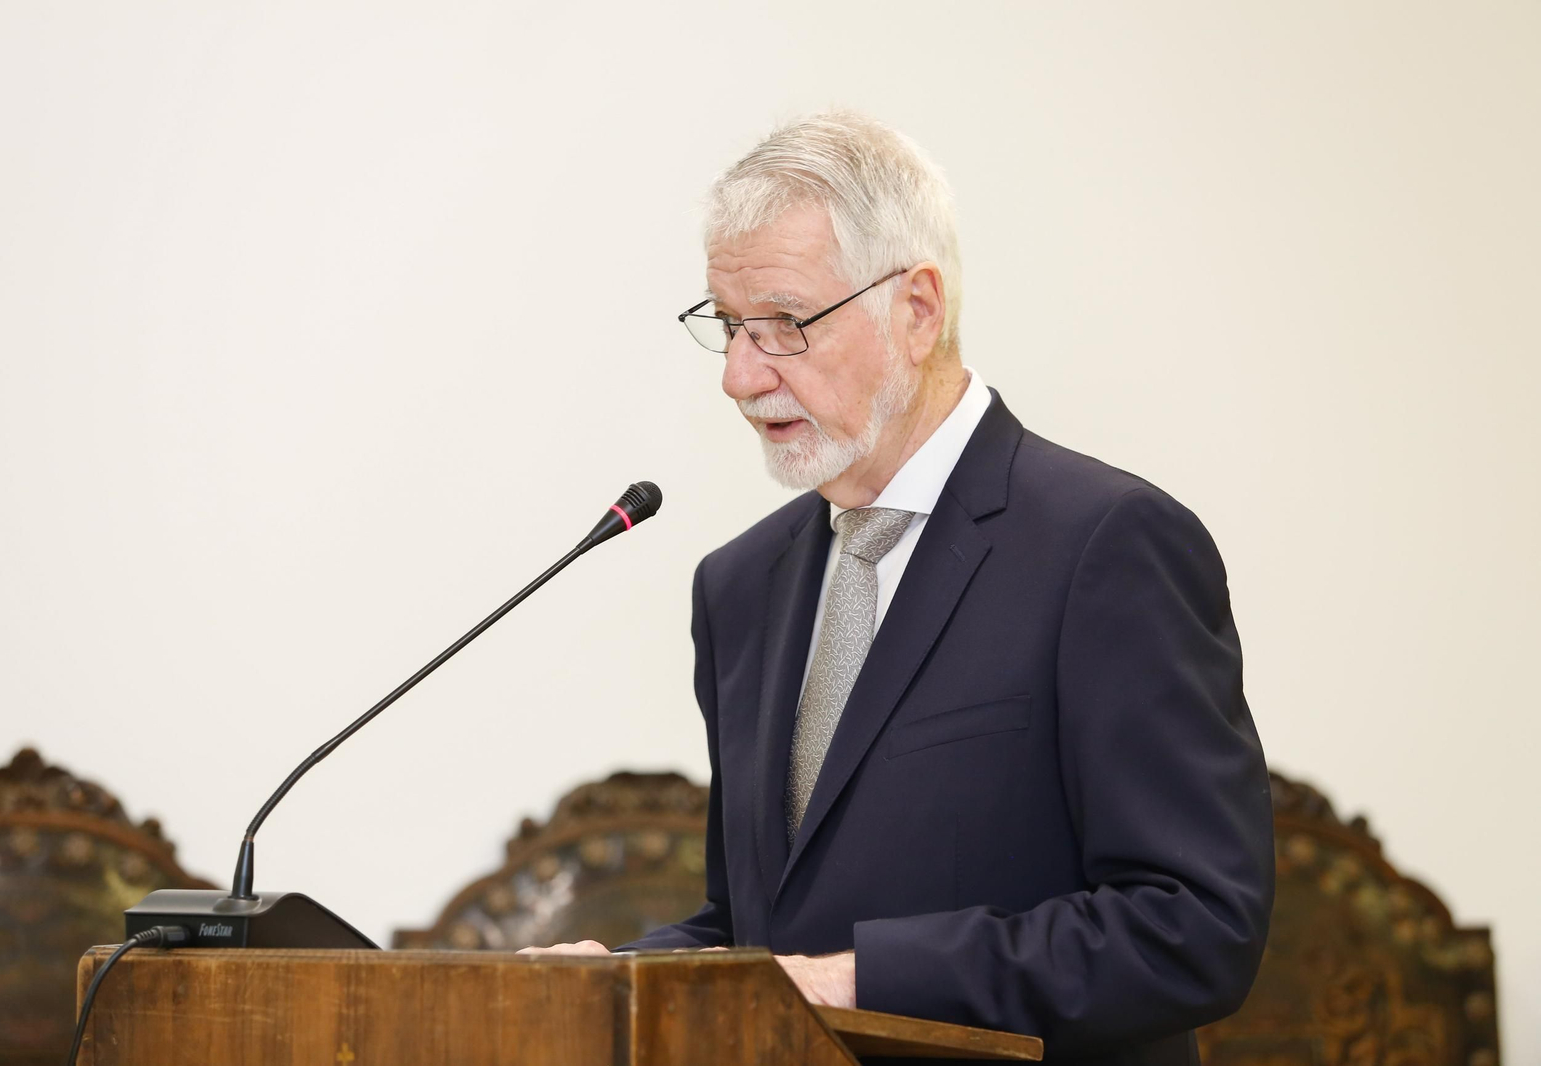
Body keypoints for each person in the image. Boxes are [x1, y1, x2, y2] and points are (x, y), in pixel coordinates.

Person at [521, 111, 1275, 1064]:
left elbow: (1192, 928)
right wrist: (622, 975)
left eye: (785, 324)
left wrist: (860, 978)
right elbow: (762, 930)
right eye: (728, 326)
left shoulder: (1106, 545)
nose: (741, 377)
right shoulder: (741, 586)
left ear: (917, 309)